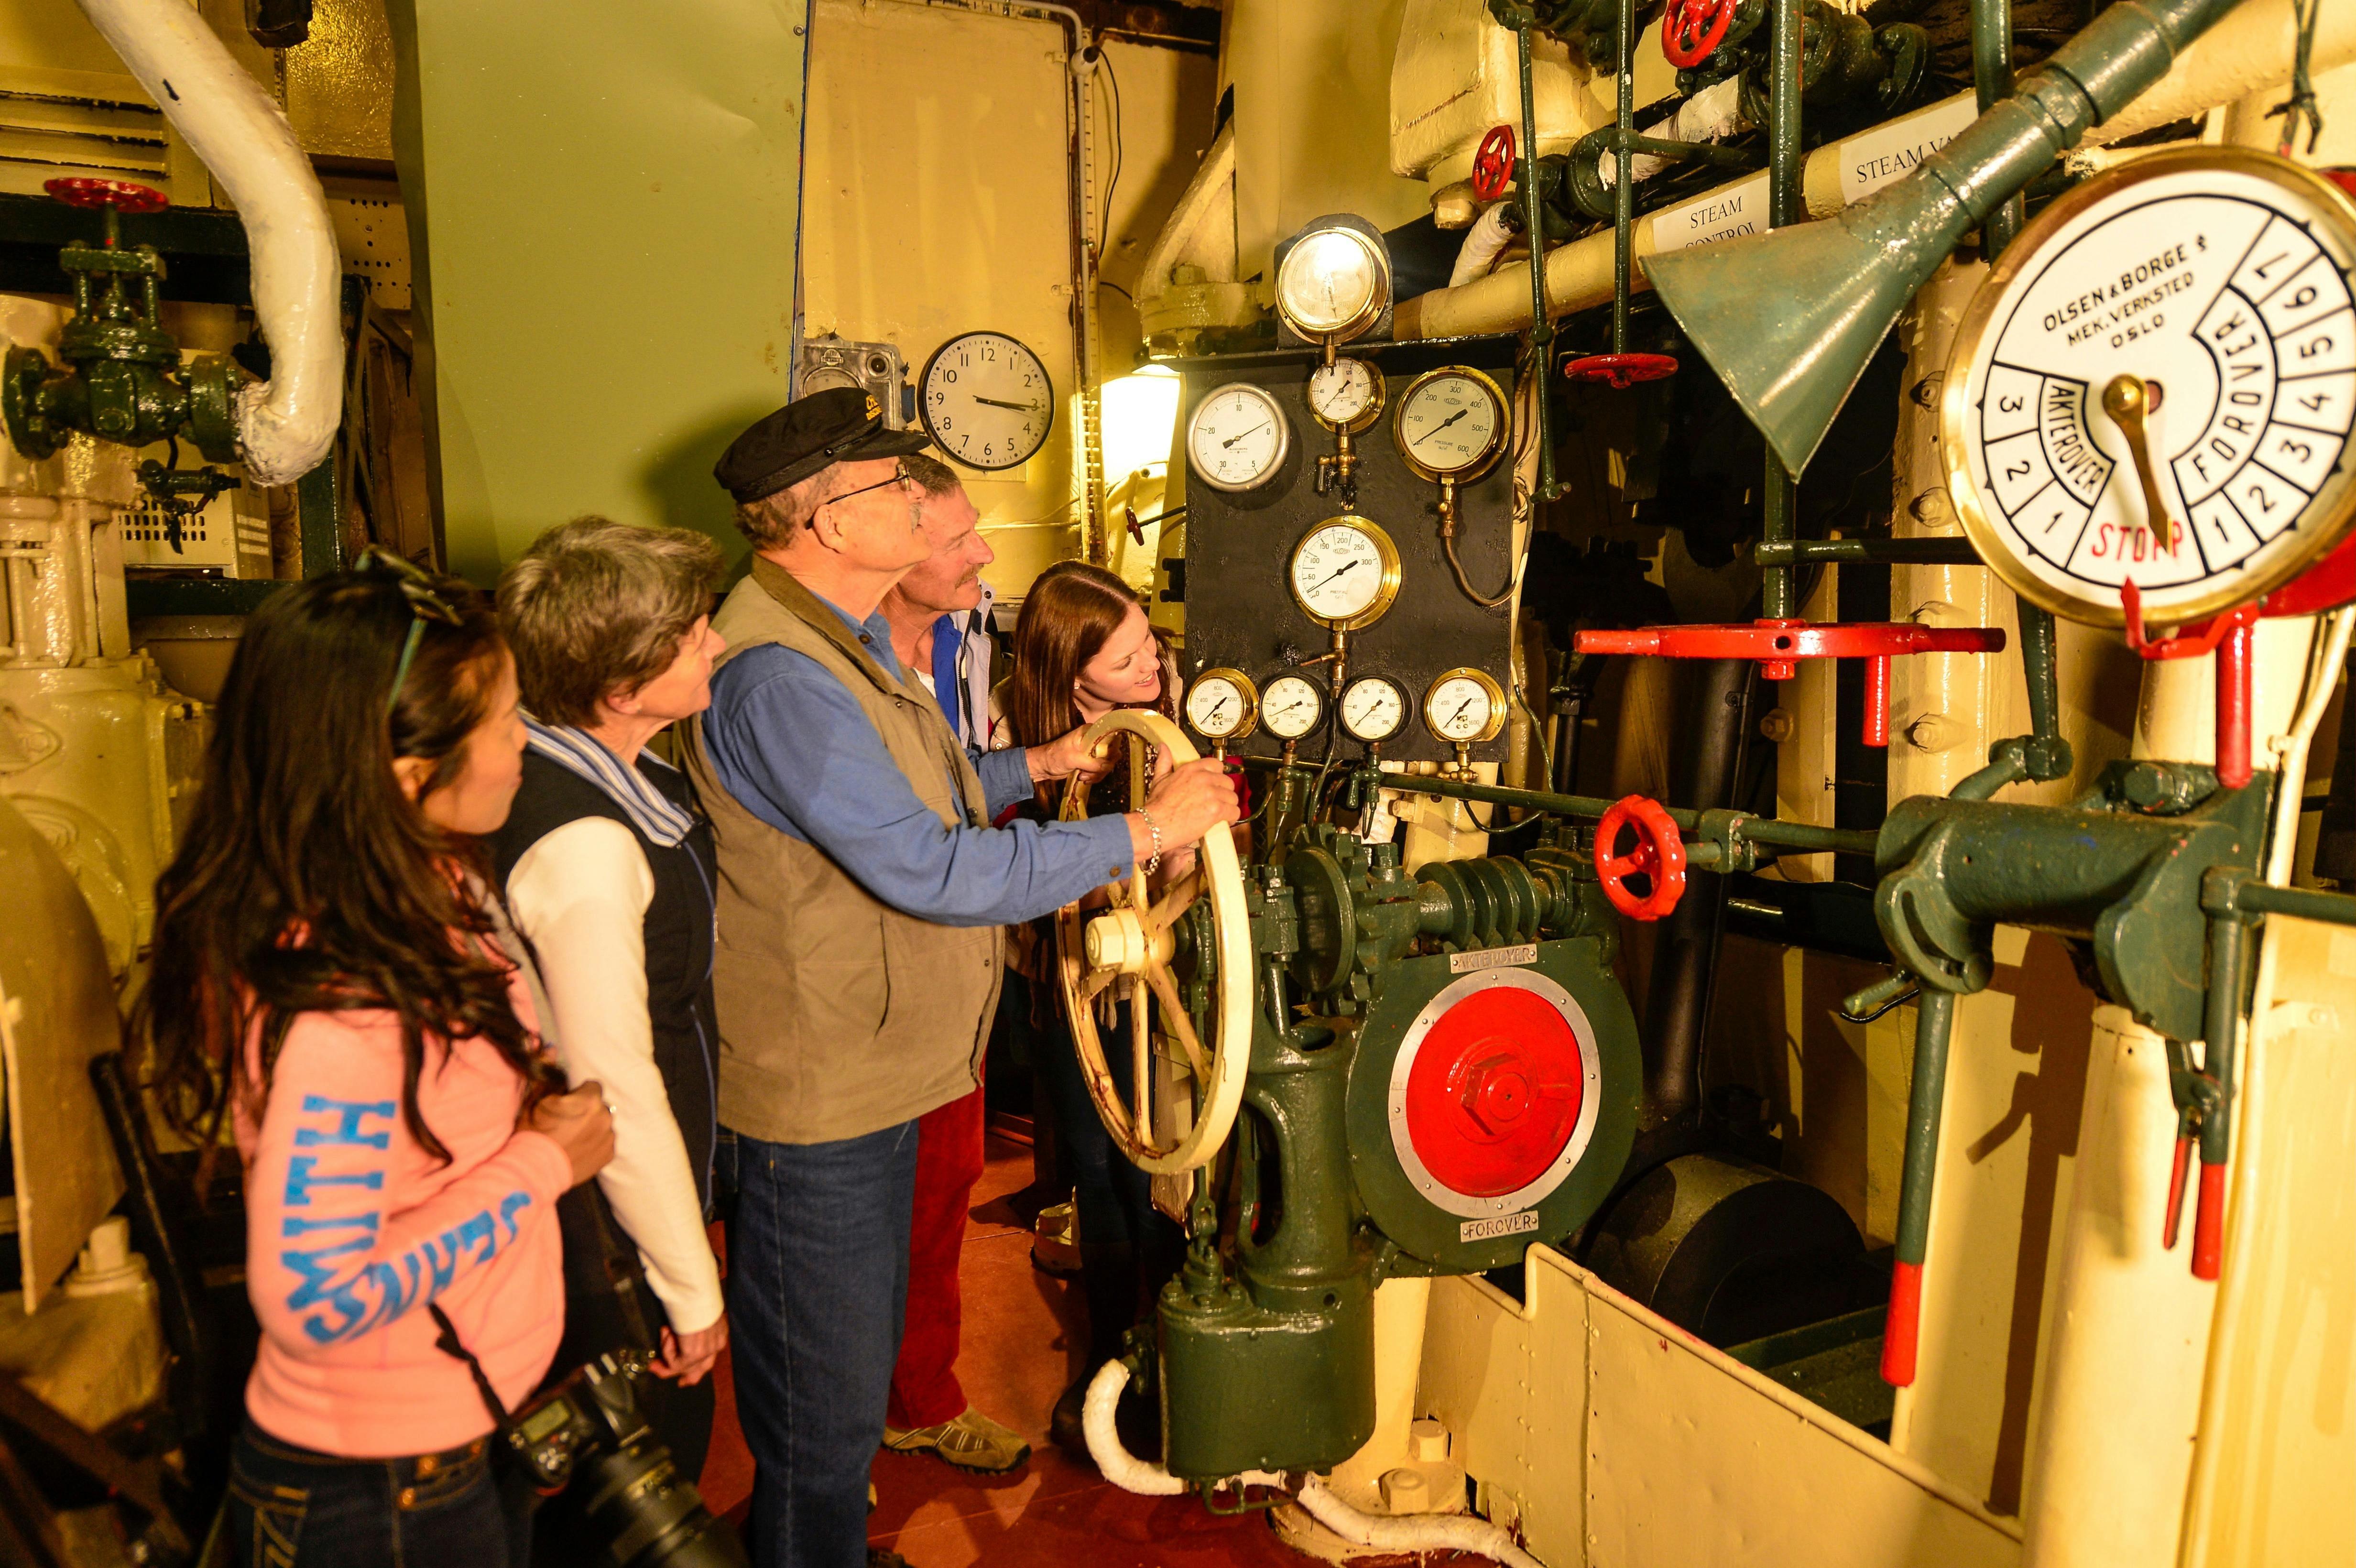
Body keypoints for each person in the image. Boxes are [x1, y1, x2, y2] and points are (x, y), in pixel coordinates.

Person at [683, 388, 1239, 1568]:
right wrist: (1143, 834)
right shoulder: (784, 675)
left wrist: (1039, 762)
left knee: (851, 1364)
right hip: (823, 1097)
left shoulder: (844, 642)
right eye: (900, 489)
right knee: (822, 1401)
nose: (941, 519)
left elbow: (917, 800)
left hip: (883, 1070)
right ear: (831, 520)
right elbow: (930, 866)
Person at [142, 552, 616, 1568]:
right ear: (411, 774)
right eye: (503, 720)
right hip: (383, 1490)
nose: (522, 741)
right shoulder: (347, 1006)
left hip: (463, 1432)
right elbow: (316, 1294)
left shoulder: (437, 890)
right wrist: (544, 1164)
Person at [488, 517, 731, 1508]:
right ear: (622, 690)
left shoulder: (621, 774)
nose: (716, 641)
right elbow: (612, 1083)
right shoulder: (583, 842)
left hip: (637, 1206)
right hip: (607, 1240)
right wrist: (688, 1286)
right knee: (649, 1480)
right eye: (695, 632)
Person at [995, 560, 1193, 1451]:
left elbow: (1200, 855)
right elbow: (1014, 881)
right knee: (1098, 1158)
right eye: (1127, 663)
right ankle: (1115, 1356)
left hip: (1168, 979)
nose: (1152, 669)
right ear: (1070, 681)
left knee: (1174, 1158)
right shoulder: (1014, 734)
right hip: (1068, 980)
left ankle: (1174, 1342)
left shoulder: (1175, 705)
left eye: (1149, 645)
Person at [869, 454, 1031, 1475]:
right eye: (958, 537)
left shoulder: (951, 640)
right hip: (884, 989)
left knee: (943, 1187)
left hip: (953, 979)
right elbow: (917, 845)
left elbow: (953, 781)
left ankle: (917, 1396)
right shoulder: (833, 667)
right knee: (876, 1211)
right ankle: (881, 1416)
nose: (982, 550)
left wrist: (1043, 765)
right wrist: (1136, 836)